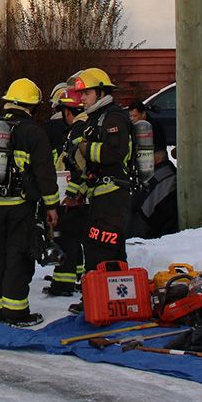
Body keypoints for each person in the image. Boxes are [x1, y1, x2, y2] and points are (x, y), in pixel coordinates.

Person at [0, 78, 59, 327]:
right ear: (31, 105)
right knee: (18, 257)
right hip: (21, 208)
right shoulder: (34, 132)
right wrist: (52, 206)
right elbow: (45, 173)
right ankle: (17, 312)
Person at [68, 67, 133, 316]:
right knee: (108, 247)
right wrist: (77, 191)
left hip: (113, 194)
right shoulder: (97, 119)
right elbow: (92, 165)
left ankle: (100, 301)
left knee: (101, 245)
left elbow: (114, 153)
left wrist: (86, 147)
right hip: (101, 193)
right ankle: (107, 301)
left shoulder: (113, 118)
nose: (81, 98)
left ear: (101, 92)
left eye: (86, 93)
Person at [44, 87, 88, 297]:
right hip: (85, 193)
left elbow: (78, 164)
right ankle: (77, 276)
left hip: (75, 193)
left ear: (68, 111)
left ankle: (63, 283)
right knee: (76, 236)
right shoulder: (86, 125)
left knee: (66, 236)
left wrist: (71, 193)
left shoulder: (78, 129)